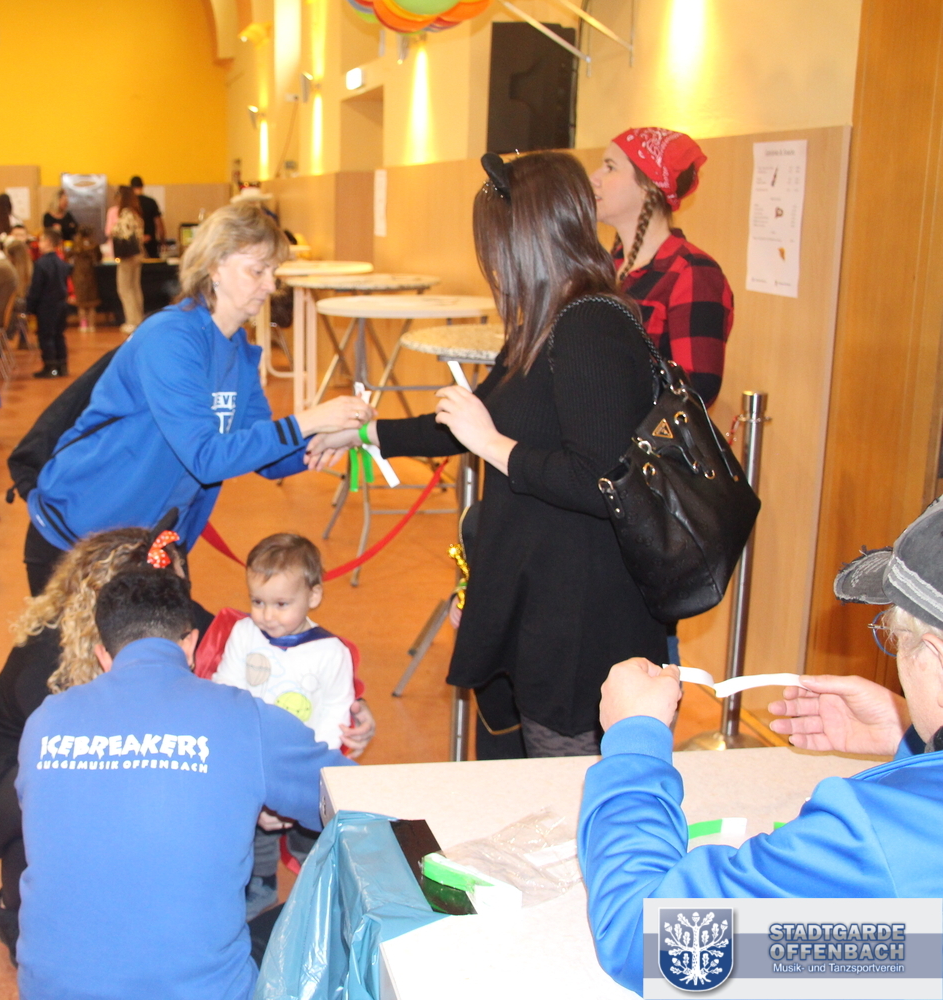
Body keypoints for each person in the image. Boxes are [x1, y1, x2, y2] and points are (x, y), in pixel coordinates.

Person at [309, 152, 663, 759]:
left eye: (494, 245)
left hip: (581, 615)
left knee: (563, 789)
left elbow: (599, 482)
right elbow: (471, 423)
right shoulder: (546, 321)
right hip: (537, 589)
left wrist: (492, 445)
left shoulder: (591, 328)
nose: (492, 262)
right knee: (515, 768)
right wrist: (367, 435)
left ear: (525, 239)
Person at [580, 496, 943, 993]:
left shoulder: (878, 835)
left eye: (894, 636)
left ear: (936, 655)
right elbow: (911, 952)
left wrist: (634, 742)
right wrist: (912, 738)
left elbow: (653, 945)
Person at [16, 569, 352, 1000]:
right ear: (191, 645)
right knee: (331, 914)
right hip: (204, 992)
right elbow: (353, 799)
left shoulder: (44, 721)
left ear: (103, 655)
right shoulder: (242, 717)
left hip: (49, 991)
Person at [23, 199, 374, 596]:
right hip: (77, 539)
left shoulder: (238, 351)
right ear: (214, 267)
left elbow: (267, 457)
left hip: (146, 547)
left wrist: (330, 437)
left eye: (273, 272)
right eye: (257, 270)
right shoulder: (171, 338)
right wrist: (309, 420)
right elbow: (207, 458)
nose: (270, 285)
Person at [0, 528, 208, 963]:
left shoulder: (144, 618)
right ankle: (16, 917)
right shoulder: (48, 659)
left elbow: (222, 628)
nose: (179, 598)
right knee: (70, 797)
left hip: (27, 771)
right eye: (171, 587)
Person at [209, 533, 355, 920]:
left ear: (314, 595)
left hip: (303, 759)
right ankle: (261, 880)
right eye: (257, 602)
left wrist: (311, 764)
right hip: (253, 754)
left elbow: (336, 711)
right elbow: (227, 688)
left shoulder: (331, 651)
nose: (266, 615)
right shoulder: (244, 633)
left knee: (311, 822)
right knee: (251, 823)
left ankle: (317, 872)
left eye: (281, 604)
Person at [592, 127, 733, 407]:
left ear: (647, 185)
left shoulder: (693, 272)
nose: (594, 177)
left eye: (610, 167)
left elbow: (696, 388)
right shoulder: (606, 265)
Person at [25, 228, 71, 378]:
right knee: (59, 335)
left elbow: (36, 288)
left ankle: (50, 367)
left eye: (41, 240)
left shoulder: (41, 264)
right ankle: (62, 366)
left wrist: (30, 307)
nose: (39, 244)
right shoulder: (62, 263)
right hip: (61, 304)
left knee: (46, 336)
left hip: (46, 306)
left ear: (48, 242)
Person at [105, 185, 144, 332]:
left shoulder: (125, 213)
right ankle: (138, 319)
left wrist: (113, 230)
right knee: (135, 287)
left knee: (125, 289)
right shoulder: (136, 212)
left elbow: (116, 231)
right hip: (138, 254)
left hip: (127, 255)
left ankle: (132, 321)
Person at [70, 226, 101, 332]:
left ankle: (83, 325)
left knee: (81, 304)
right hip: (90, 275)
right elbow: (98, 258)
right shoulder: (94, 245)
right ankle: (92, 325)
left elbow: (68, 255)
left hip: (78, 275)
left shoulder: (76, 245)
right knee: (92, 303)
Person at [131, 175, 165, 258]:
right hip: (150, 244)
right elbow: (159, 224)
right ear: (142, 186)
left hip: (134, 246)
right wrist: (163, 242)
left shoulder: (130, 204)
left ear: (131, 188)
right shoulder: (151, 202)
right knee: (151, 265)